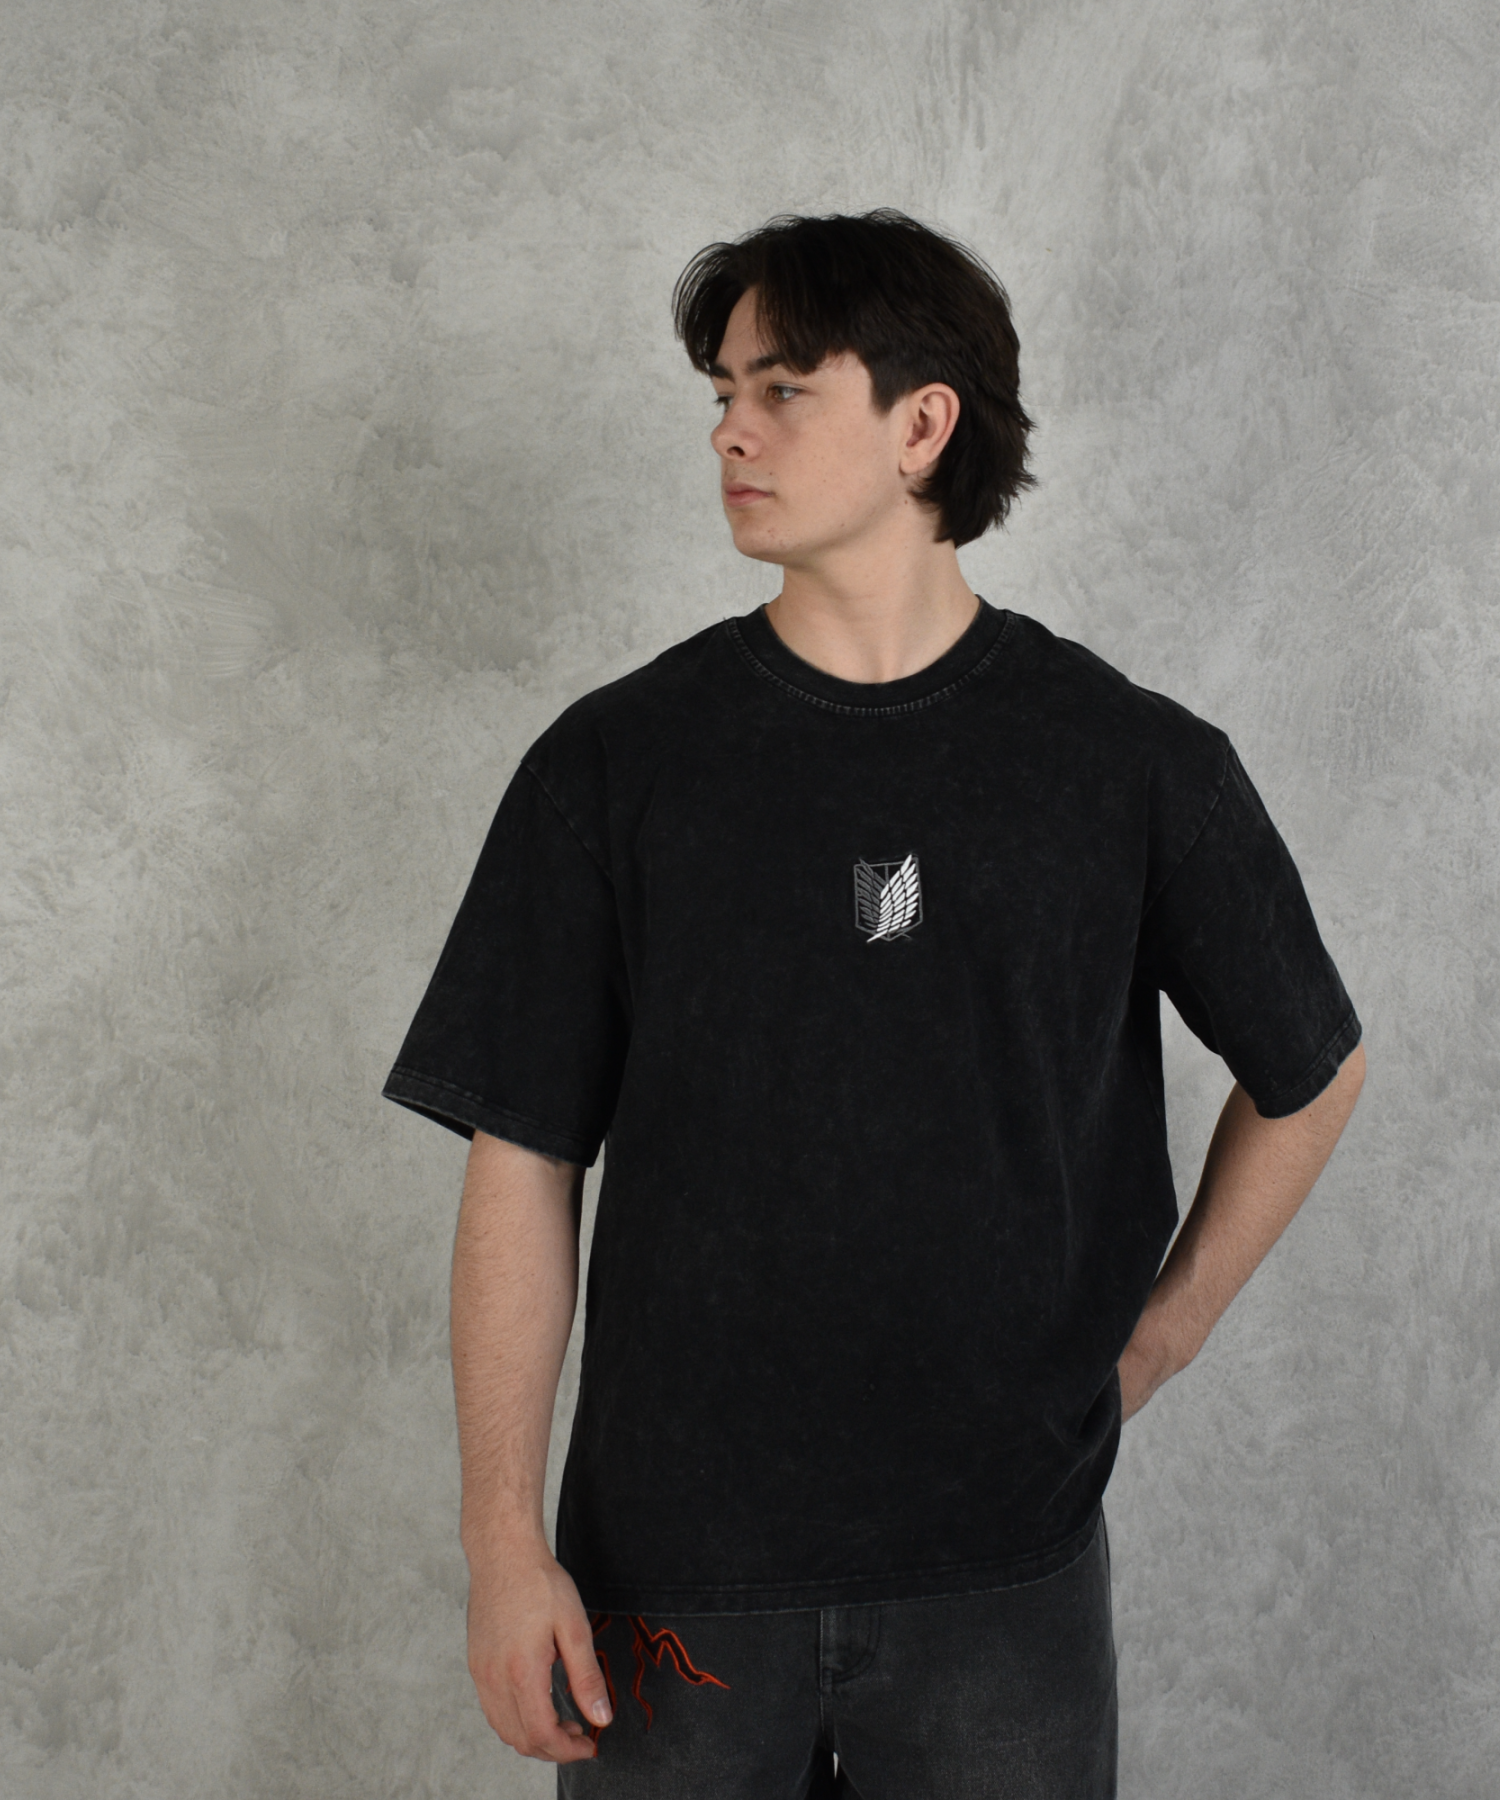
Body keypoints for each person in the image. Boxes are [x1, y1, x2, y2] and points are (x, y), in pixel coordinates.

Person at [383, 208, 1365, 1799]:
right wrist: (502, 1540)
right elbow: (522, 1158)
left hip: (1004, 1574)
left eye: (782, 389)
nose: (729, 430)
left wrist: (1163, 1338)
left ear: (924, 426)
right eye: (722, 392)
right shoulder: (616, 767)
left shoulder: (1128, 764)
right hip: (673, 1587)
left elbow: (1311, 1069)